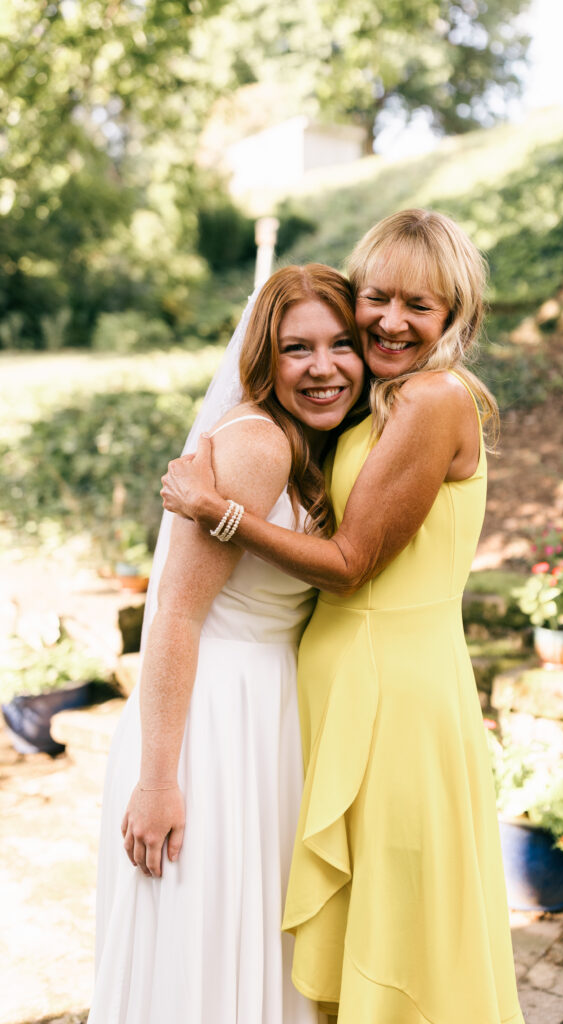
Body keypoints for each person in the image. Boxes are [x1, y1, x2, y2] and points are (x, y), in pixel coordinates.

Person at [161, 209, 525, 1024]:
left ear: (454, 319)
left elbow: (352, 562)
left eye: (419, 307)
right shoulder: (379, 400)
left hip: (392, 700)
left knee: (398, 930)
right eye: (377, 297)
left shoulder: (432, 399)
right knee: (371, 917)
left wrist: (217, 510)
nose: (391, 321)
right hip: (346, 693)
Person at [88, 264, 366, 1024]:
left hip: (266, 715)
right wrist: (156, 780)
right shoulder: (258, 445)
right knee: (204, 947)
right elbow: (175, 614)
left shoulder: (307, 444)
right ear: (262, 356)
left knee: (243, 942)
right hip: (210, 724)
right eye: (295, 348)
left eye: (341, 344)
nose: (321, 368)